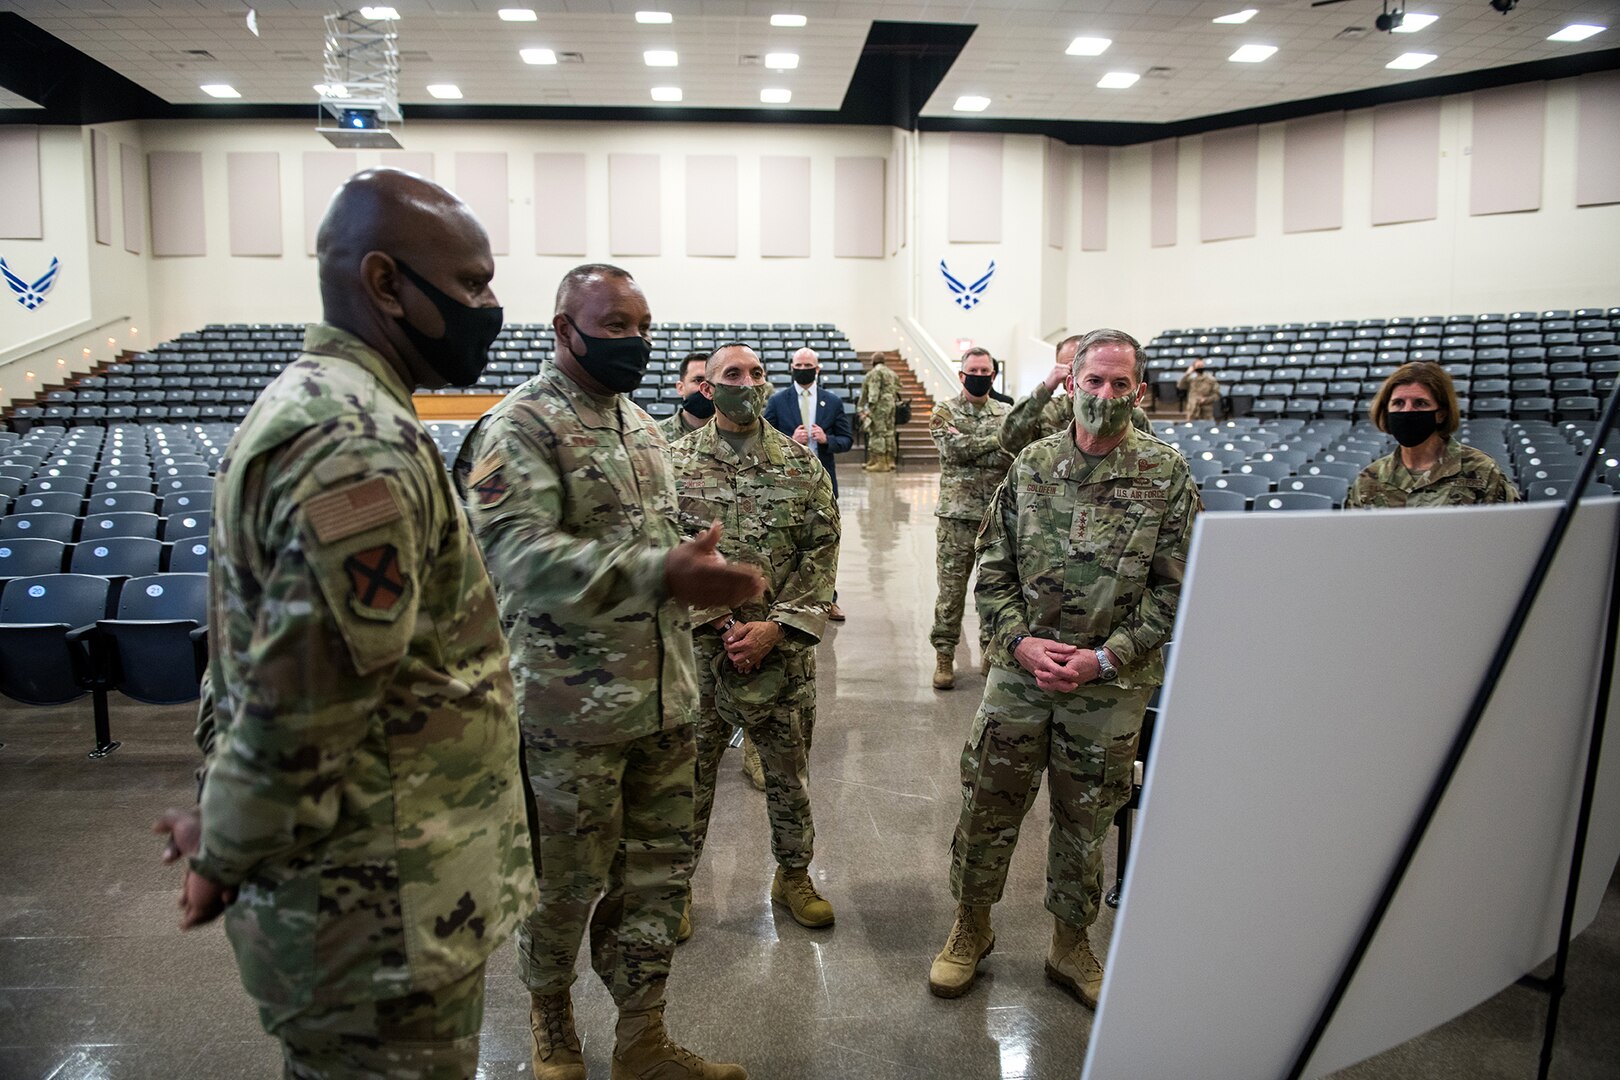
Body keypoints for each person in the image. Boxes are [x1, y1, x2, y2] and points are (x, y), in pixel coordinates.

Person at [151, 168, 538, 1078]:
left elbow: (274, 659)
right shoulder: (352, 439)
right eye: (474, 281)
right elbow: (307, 698)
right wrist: (227, 845)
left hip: (380, 896)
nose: (491, 304)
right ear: (384, 283)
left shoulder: (327, 406)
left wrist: (227, 818)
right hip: (379, 912)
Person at [457, 263, 762, 1080]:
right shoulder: (517, 427)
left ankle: (643, 1037)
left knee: (657, 884)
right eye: (617, 326)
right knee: (564, 885)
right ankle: (550, 1015)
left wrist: (713, 571)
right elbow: (516, 556)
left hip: (666, 705)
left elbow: (658, 540)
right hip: (569, 713)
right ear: (565, 329)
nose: (637, 342)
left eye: (644, 327)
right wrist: (662, 573)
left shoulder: (642, 427)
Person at [929, 328, 1197, 1009]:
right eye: (1093, 382)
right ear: (1069, 383)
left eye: (1119, 384)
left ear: (1138, 390)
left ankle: (1069, 944)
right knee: (987, 804)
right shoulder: (1031, 466)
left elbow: (1180, 587)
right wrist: (1017, 644)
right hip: (1021, 677)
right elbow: (992, 571)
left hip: (1108, 686)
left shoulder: (1165, 475)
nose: (1105, 395)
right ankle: (972, 927)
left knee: (1086, 821)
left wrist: (1108, 656)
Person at [670, 342, 841, 936]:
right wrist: (719, 621)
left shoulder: (799, 465)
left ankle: (793, 875)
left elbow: (821, 552)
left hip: (782, 648)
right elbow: (659, 554)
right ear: (708, 389)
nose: (749, 381)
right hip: (697, 652)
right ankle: (678, 888)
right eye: (733, 374)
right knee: (689, 775)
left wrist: (776, 627)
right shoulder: (675, 462)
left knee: (787, 772)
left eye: (757, 372)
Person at [929, 349, 1013, 690]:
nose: (979, 374)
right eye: (972, 370)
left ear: (993, 375)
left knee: (993, 591)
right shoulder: (943, 410)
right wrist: (995, 441)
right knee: (950, 594)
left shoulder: (1007, 411)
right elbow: (952, 449)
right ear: (962, 375)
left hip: (996, 520)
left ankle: (989, 653)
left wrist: (974, 444)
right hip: (955, 521)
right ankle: (944, 656)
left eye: (985, 370)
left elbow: (1012, 454)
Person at [1345, 361, 1520, 509]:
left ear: (1441, 413)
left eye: (1420, 403)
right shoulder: (1368, 480)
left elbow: (1509, 537)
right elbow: (1352, 543)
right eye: (1398, 403)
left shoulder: (1481, 470)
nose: (1407, 411)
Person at [765, 346, 852, 621]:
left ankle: (829, 600)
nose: (802, 369)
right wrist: (789, 438)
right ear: (791, 367)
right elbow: (764, 434)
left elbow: (846, 440)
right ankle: (787, 600)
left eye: (807, 365)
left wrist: (827, 440)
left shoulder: (832, 401)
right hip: (787, 482)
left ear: (817, 368)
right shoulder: (778, 401)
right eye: (798, 365)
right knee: (786, 543)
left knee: (826, 542)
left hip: (823, 481)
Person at [1002, 335, 1153, 456]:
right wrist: (1046, 388)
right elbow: (1010, 441)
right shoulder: (1045, 410)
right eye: (1069, 367)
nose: (1075, 373)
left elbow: (1150, 455)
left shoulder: (1126, 411)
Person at [858, 354, 903, 473]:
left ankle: (880, 462)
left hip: (879, 405)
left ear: (873, 361)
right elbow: (899, 387)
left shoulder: (874, 373)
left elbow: (873, 393)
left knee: (877, 432)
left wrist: (869, 409)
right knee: (889, 432)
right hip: (891, 404)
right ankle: (890, 461)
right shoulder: (892, 373)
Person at [659, 350, 715, 443]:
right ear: (680, 388)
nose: (705, 387)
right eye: (698, 380)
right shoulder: (657, 435)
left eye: (711, 381)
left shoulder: (734, 435)